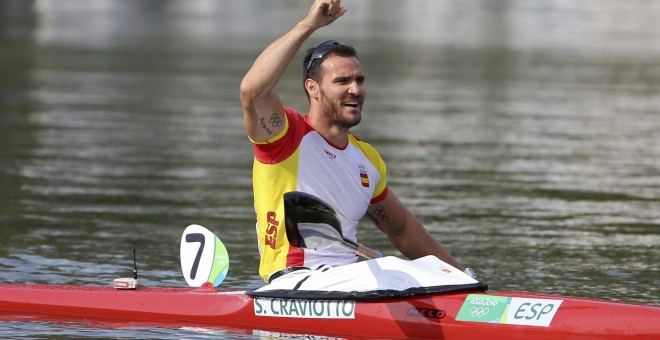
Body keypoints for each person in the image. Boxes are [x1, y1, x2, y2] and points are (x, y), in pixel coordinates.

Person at [240, 0, 471, 282]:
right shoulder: (284, 136)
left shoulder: (367, 159)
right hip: (294, 280)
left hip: (351, 280)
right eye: (343, 81)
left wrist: (463, 279)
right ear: (313, 88)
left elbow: (402, 230)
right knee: (396, 272)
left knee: (420, 272)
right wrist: (307, 25)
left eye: (360, 80)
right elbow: (253, 91)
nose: (356, 89)